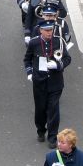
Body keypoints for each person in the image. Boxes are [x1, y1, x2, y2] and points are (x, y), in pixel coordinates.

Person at [24, 21, 72, 149]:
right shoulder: (34, 43)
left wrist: (58, 65)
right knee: (40, 109)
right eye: (46, 30)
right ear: (40, 31)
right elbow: (27, 59)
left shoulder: (59, 41)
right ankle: (40, 130)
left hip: (55, 82)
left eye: (51, 30)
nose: (49, 32)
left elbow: (67, 58)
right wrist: (29, 73)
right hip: (39, 82)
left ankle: (52, 136)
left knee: (53, 110)